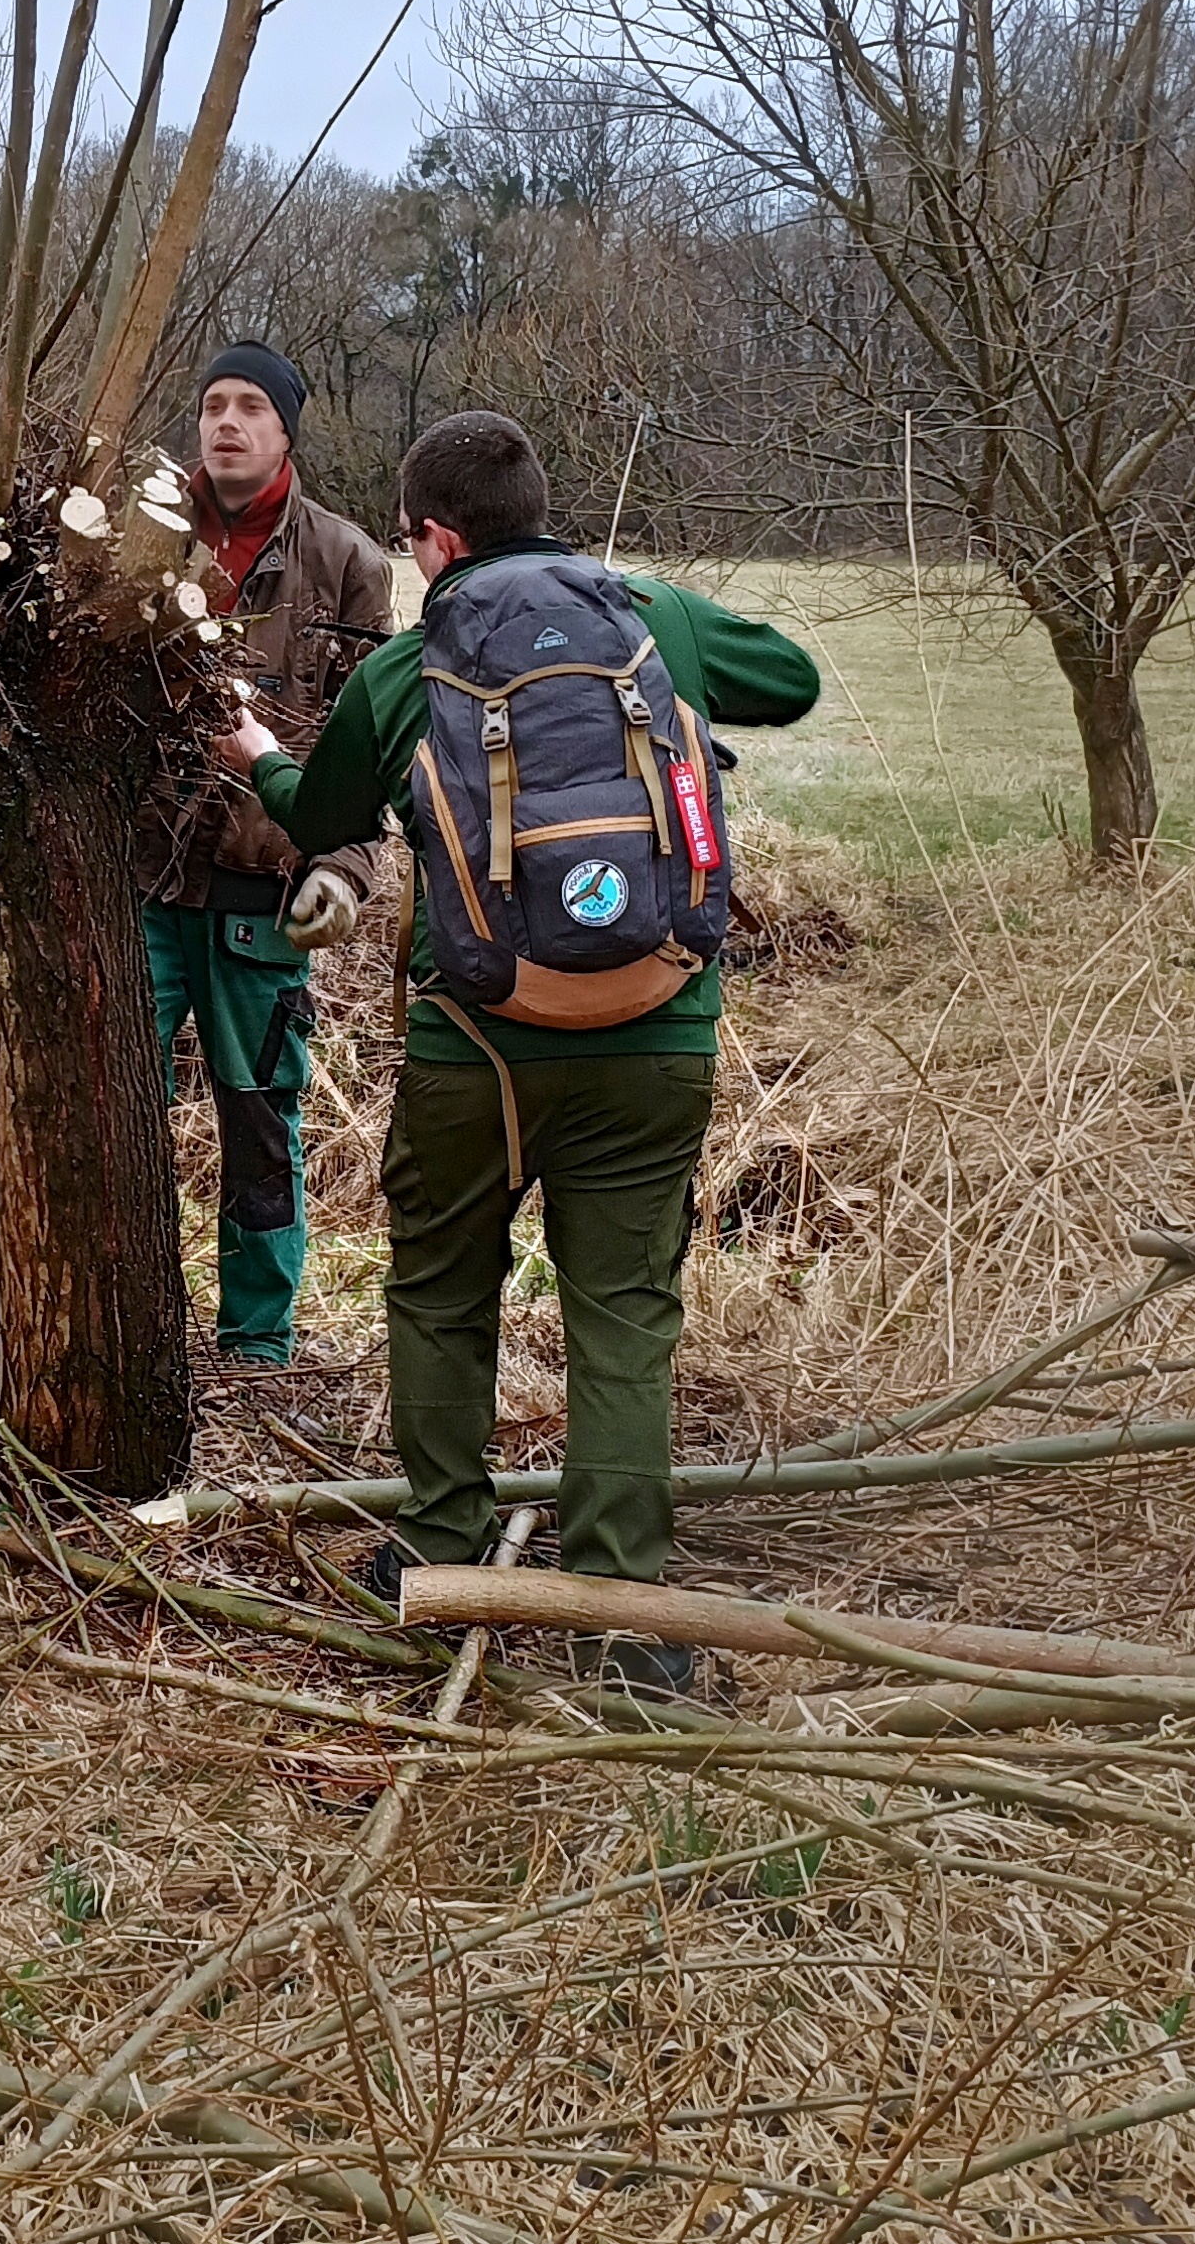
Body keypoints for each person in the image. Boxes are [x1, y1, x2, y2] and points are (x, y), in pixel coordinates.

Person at [221, 410, 819, 1691]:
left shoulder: (407, 667)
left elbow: (319, 816)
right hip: (658, 1033)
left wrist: (262, 759)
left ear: (437, 537)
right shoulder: (652, 612)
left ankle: (439, 1555)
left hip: (476, 1047)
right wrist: (656, 621)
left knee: (442, 1292)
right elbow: (795, 682)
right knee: (625, 1315)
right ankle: (624, 1616)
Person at [137, 344, 394, 1366]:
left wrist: (343, 869)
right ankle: (131, 1318)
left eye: (250, 406)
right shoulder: (143, 543)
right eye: (211, 404)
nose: (226, 422)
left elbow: (368, 747)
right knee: (119, 1109)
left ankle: (256, 1342)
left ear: (287, 430)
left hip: (265, 890)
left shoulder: (349, 562)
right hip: (141, 887)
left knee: (258, 1120)